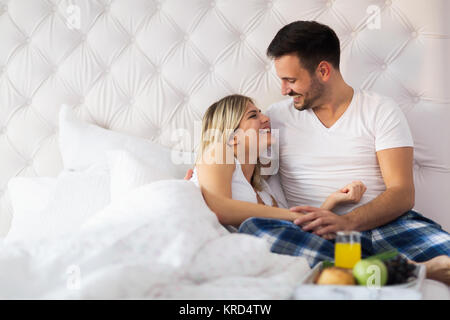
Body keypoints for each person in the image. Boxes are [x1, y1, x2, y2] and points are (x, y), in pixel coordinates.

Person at [235, 20, 450, 284]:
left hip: (388, 226)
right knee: (252, 228)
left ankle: (359, 271)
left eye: (291, 80)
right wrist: (203, 173)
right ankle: (408, 270)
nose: (284, 90)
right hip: (317, 234)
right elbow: (234, 149)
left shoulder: (379, 110)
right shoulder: (276, 118)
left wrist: (347, 222)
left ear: (323, 71)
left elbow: (402, 193)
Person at [189, 94, 367, 238]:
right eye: (253, 115)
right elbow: (221, 210)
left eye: (261, 113)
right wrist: (294, 216)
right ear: (233, 137)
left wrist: (332, 200)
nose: (266, 118)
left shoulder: (264, 190)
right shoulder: (218, 152)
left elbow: (293, 231)